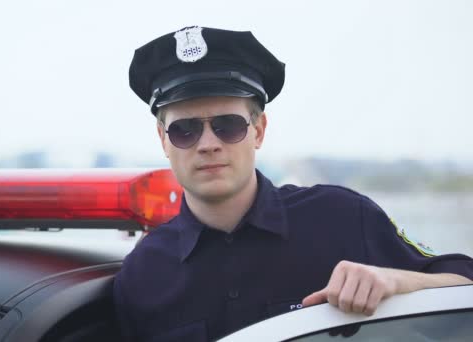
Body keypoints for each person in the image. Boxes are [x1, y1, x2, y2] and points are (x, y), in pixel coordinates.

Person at [113, 26, 473, 341]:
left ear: (259, 131)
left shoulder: (343, 218)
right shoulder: (141, 276)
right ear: (163, 139)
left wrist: (397, 281)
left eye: (228, 125)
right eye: (184, 130)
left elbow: (465, 283)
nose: (208, 143)